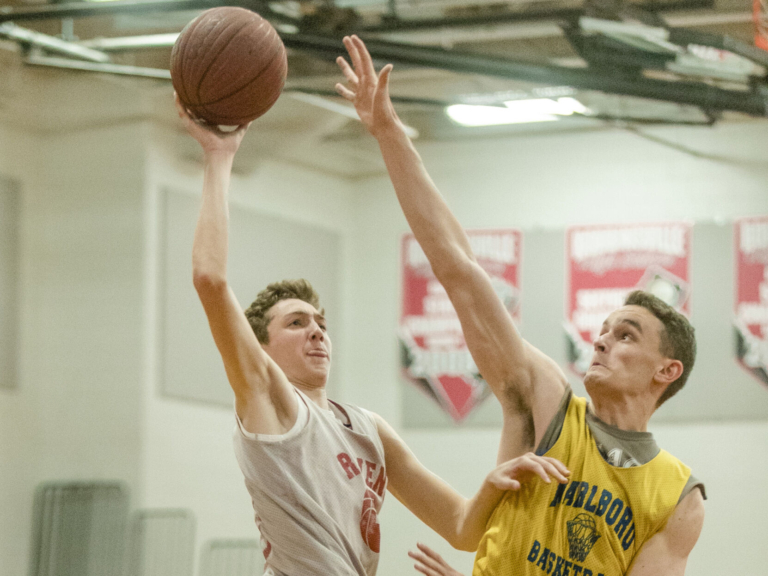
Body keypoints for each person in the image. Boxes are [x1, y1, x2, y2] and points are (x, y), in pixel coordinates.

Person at [335, 35, 706, 576]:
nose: (602, 339)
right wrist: (390, 133)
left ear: (667, 370)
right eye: (604, 329)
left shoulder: (680, 497)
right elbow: (459, 269)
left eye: (627, 335)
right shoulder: (547, 401)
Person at [174, 95, 571, 576]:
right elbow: (210, 280)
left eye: (321, 323)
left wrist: (496, 479)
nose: (316, 332)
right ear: (260, 349)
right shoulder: (270, 403)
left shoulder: (368, 430)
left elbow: (463, 528)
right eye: (296, 323)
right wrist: (219, 157)